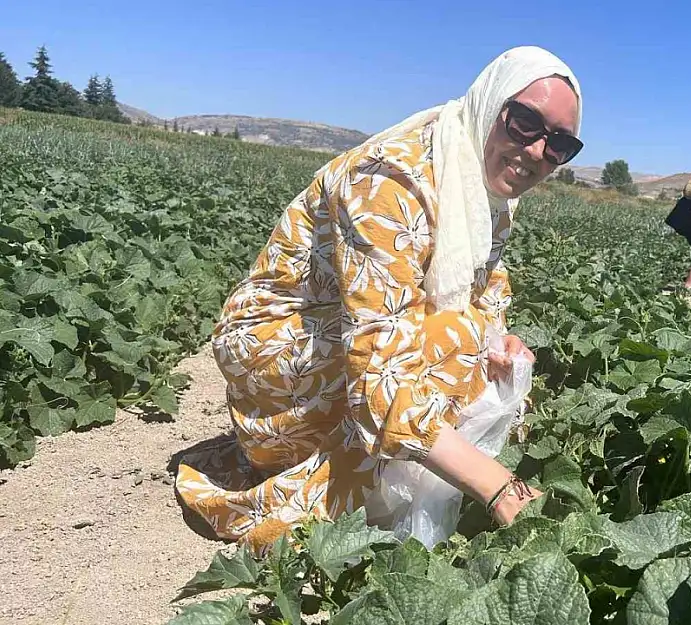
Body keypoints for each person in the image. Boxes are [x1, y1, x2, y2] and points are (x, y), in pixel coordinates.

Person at [174, 46, 583, 552]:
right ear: (489, 102)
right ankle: (332, 495)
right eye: (524, 122)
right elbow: (379, 364)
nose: (539, 151)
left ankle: (399, 473)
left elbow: (485, 293)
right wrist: (498, 487)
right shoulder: (388, 180)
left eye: (561, 143)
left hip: (342, 348)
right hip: (274, 356)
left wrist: (504, 344)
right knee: (450, 341)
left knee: (473, 342)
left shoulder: (487, 191)